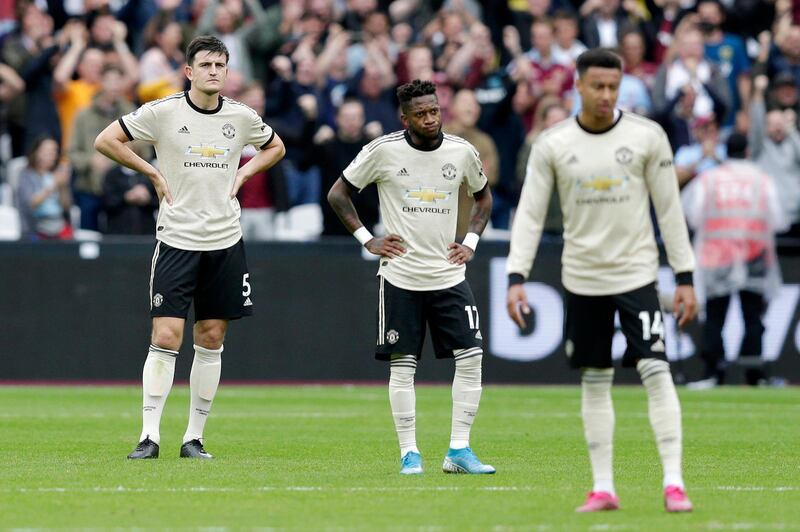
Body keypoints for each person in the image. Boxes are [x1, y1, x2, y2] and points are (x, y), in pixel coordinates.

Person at [505, 49, 697, 513]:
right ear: (578, 86)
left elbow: (669, 209)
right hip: (583, 277)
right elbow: (529, 213)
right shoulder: (552, 144)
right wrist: (516, 275)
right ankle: (603, 487)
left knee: (656, 369)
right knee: (595, 379)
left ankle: (674, 482)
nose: (606, 95)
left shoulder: (647, 137)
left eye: (614, 86)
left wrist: (686, 275)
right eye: (597, 86)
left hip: (636, 274)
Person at [94, 35, 286, 460]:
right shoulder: (163, 113)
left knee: (212, 336)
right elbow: (107, 140)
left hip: (225, 241)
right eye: (206, 65)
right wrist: (153, 174)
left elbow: (276, 146)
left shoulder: (241, 117)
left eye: (220, 65)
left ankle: (193, 437)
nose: (214, 71)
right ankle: (149, 436)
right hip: (177, 239)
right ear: (189, 71)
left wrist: (242, 175)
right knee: (166, 334)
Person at [326, 79, 495, 475]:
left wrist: (469, 240)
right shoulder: (383, 151)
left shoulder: (462, 152)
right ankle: (409, 453)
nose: (431, 118)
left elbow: (483, 196)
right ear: (405, 118)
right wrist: (367, 239)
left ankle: (459, 450)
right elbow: (338, 193)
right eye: (421, 113)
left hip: (449, 275)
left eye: (434, 110)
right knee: (403, 366)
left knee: (471, 358)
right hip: (401, 276)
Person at [682, 133, 789, 387]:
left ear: (725, 150)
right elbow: (779, 219)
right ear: (748, 152)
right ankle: (754, 373)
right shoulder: (761, 180)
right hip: (754, 255)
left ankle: (713, 372)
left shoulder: (709, 179)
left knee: (715, 317)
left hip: (716, 257)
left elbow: (693, 215)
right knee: (753, 316)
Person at [16, 136, 72, 240]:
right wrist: (52, 185)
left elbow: (66, 207)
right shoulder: (26, 175)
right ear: (36, 152)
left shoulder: (57, 174)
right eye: (47, 151)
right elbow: (30, 203)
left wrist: (63, 186)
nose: (52, 155)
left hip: (59, 228)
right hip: (35, 229)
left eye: (54, 151)